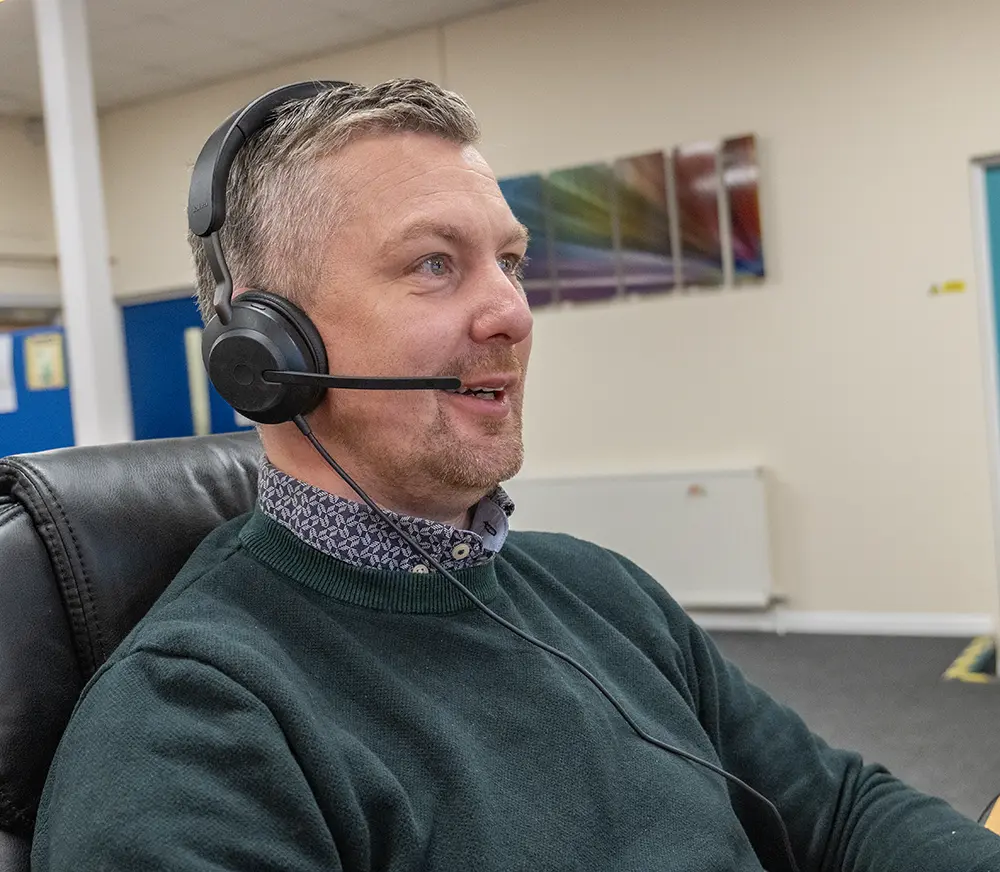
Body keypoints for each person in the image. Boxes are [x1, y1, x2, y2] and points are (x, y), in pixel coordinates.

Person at [31, 78, 1000, 872]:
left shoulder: (599, 589)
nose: (512, 312)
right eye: (434, 265)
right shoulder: (191, 727)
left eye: (509, 261)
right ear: (267, 349)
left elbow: (834, 813)